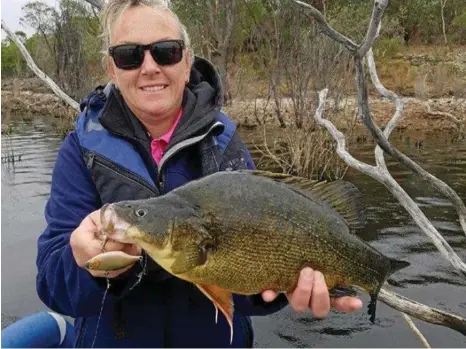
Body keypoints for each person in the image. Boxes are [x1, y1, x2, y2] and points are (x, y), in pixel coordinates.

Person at [35, 0, 362, 347]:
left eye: (166, 51)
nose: (149, 67)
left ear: (187, 62)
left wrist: (283, 288)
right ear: (112, 69)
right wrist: (87, 266)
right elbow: (53, 288)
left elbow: (250, 295)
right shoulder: (80, 151)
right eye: (129, 55)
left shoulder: (223, 144)